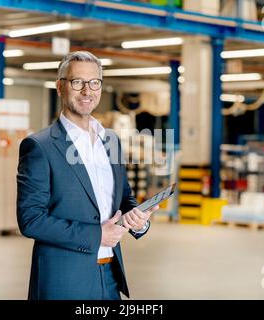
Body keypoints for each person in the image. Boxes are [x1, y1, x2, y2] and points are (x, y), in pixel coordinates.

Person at [16, 51, 159, 300]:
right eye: (77, 82)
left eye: (94, 83)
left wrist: (139, 220)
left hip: (110, 277)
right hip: (65, 281)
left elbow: (125, 197)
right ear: (60, 87)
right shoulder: (39, 146)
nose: (87, 91)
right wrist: (97, 235)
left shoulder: (111, 141)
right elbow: (31, 219)